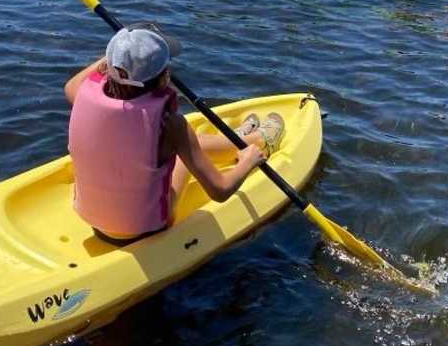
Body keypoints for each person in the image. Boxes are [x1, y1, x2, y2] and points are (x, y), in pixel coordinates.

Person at [64, 25, 285, 245]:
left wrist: (121, 54)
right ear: (165, 76)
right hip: (146, 228)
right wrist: (248, 163)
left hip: (95, 223)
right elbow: (220, 190)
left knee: (184, 144)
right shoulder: (170, 125)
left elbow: (73, 84)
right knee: (183, 150)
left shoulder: (78, 91)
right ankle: (254, 145)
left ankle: (242, 140)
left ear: (109, 66)